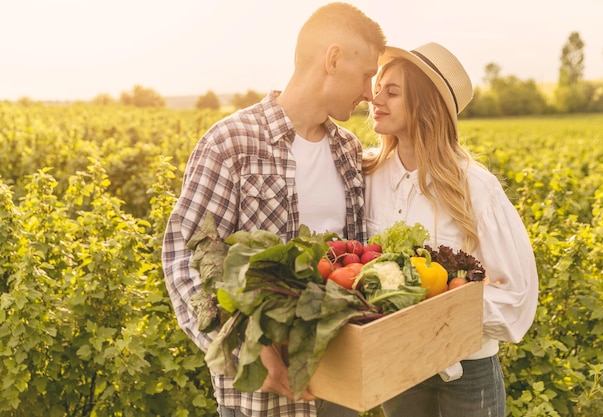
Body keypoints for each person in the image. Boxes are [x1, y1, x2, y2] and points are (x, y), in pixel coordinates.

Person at [162, 3, 386, 416]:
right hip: (262, 398)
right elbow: (184, 260)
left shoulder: (348, 149)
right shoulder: (232, 143)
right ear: (333, 60)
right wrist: (239, 345)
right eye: (367, 74)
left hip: (340, 385)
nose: (370, 92)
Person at [363, 42, 539, 417]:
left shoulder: (475, 186)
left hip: (467, 369)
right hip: (400, 367)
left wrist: (440, 316)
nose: (375, 98)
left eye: (392, 92)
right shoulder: (369, 177)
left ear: (425, 106)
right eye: (379, 87)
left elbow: (517, 294)